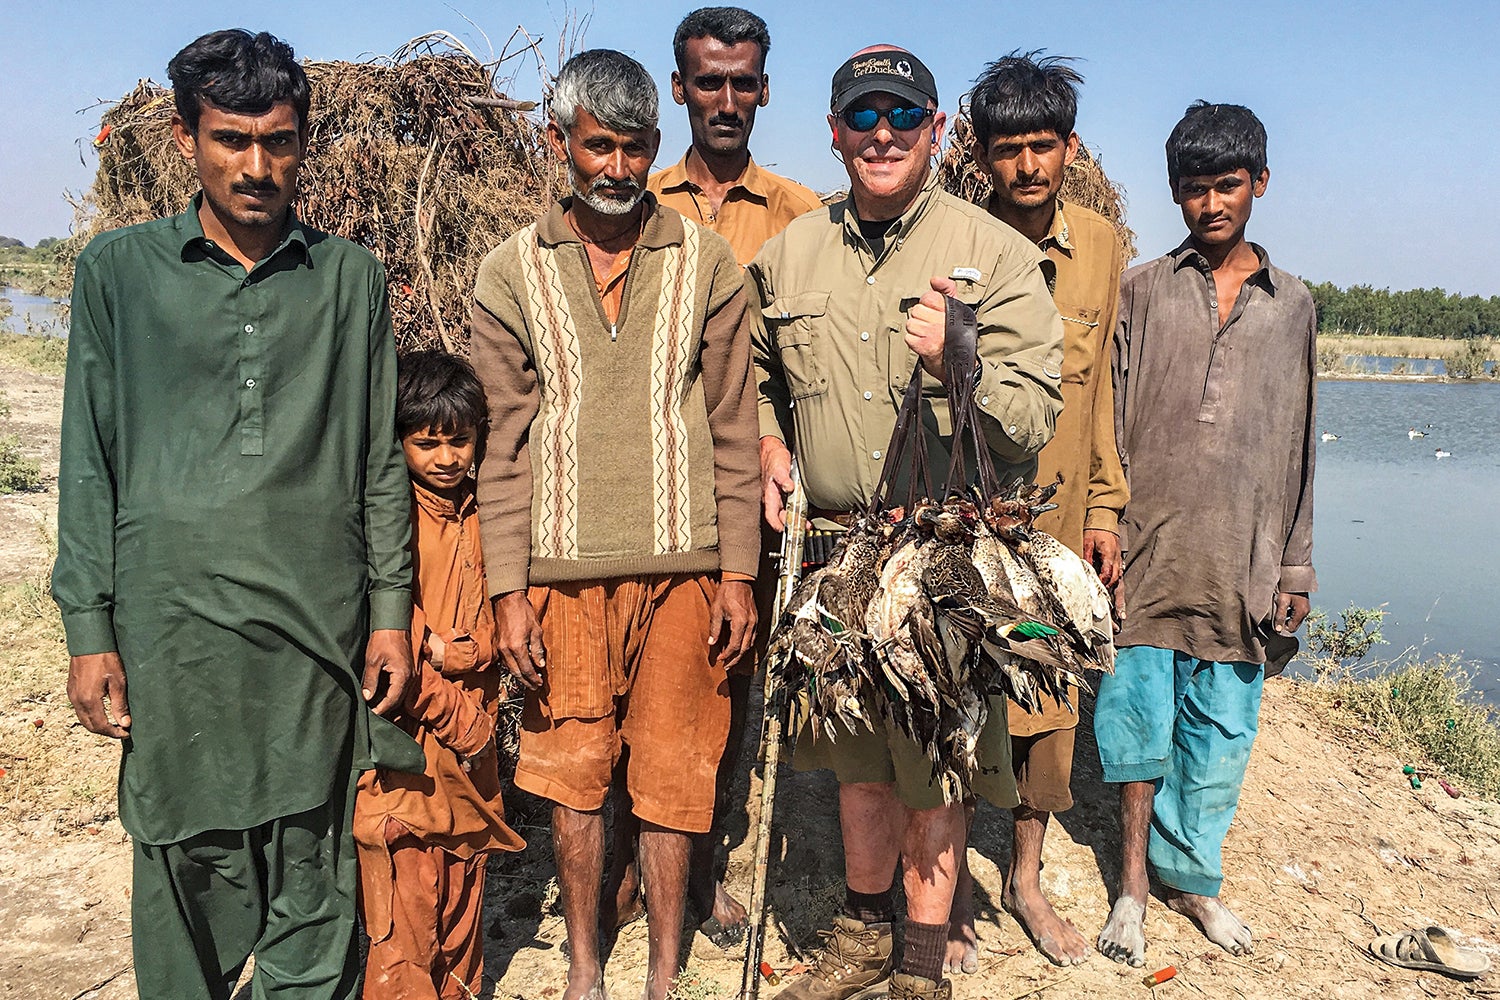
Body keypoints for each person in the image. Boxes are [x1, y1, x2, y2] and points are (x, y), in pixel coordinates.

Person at [53, 29, 414, 1000]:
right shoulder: (118, 276)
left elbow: (381, 457)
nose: (257, 166)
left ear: (302, 141)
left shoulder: (348, 280)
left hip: (315, 641)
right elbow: (91, 462)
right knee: (183, 873)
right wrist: (90, 630)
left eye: (280, 140)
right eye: (230, 139)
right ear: (184, 138)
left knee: (314, 884)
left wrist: (390, 615)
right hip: (174, 644)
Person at [749, 45, 1065, 1000]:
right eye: (862, 117)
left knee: (935, 761)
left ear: (935, 129)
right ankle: (861, 932)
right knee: (855, 759)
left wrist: (957, 359)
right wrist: (770, 447)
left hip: (946, 549)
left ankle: (921, 969)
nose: (880, 135)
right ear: (835, 132)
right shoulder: (792, 252)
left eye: (900, 116)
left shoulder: (997, 254)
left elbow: (1035, 414)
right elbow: (758, 379)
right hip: (838, 552)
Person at [467, 49, 761, 1000]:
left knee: (678, 780)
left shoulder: (704, 260)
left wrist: (738, 574)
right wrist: (508, 591)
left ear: (654, 147)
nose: (617, 168)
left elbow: (732, 423)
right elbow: (501, 446)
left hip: (688, 568)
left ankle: (664, 976)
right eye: (598, 146)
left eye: (636, 149)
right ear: (560, 142)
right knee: (573, 774)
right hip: (562, 573)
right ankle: (586, 967)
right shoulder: (510, 270)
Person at [601, 4, 822, 949]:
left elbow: (796, 369)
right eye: (708, 81)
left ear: (764, 89)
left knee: (725, 686)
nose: (726, 99)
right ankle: (619, 871)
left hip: (742, 491)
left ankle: (706, 872)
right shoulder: (629, 195)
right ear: (680, 86)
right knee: (621, 688)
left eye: (744, 82)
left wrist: (779, 455)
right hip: (637, 490)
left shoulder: (803, 214)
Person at [1094, 102, 1317, 968]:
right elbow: (1107, 417)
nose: (1211, 204)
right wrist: (1101, 522)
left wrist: (1295, 566)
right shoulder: (1144, 289)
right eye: (1193, 189)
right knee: (1136, 728)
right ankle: (1131, 892)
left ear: (1259, 184)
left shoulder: (1292, 305)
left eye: (1228, 185)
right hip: (1148, 552)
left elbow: (1299, 442)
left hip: (1244, 559)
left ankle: (1194, 882)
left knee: (1220, 737)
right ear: (1176, 195)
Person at [953, 51, 1130, 971]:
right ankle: (941, 892)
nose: (1028, 166)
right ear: (981, 152)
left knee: (1051, 706)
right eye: (1009, 147)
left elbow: (1099, 396)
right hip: (967, 523)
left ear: (1070, 147)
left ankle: (1023, 878)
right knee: (954, 699)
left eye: (1044, 146)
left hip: (1060, 533)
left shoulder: (1102, 246)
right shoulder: (951, 240)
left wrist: (1105, 511)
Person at [354, 350, 526, 999]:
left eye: (460, 440)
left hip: (473, 755)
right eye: (427, 443)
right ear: (399, 441)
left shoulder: (492, 515)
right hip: (408, 754)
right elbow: (388, 650)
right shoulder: (384, 522)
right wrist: (459, 712)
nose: (446, 458)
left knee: (465, 886)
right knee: (404, 898)